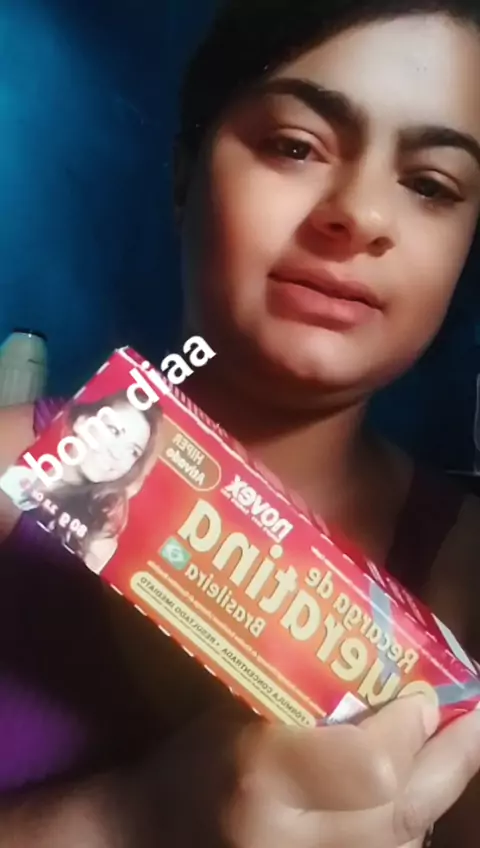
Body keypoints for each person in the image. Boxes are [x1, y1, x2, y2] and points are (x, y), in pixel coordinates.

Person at [1, 0, 480, 844]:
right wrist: (125, 822)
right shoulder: (14, 468)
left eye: (430, 185)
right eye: (295, 146)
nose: (361, 216)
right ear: (184, 175)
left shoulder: (466, 571)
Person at [1, 391, 162, 573]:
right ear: (82, 421)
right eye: (114, 431)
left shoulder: (100, 535)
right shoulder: (23, 467)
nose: (117, 454)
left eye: (133, 451)